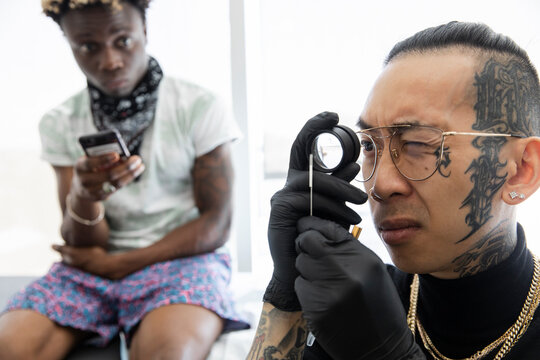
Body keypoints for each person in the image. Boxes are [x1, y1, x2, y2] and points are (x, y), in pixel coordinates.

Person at [247, 21, 540, 359]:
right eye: (370, 146)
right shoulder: (357, 307)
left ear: (521, 170)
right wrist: (287, 292)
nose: (381, 186)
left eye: (417, 144)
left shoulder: (370, 328)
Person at [0, 0, 249, 359]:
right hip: (91, 272)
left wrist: (120, 264)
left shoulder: (199, 106)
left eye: (123, 40)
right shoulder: (59, 122)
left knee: (167, 355)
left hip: (182, 264)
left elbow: (217, 223)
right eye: (88, 47)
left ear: (144, 31)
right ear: (69, 45)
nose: (110, 61)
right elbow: (78, 240)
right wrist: (86, 196)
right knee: (10, 348)